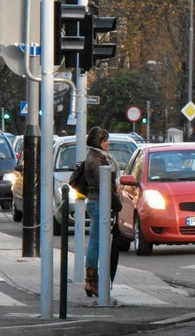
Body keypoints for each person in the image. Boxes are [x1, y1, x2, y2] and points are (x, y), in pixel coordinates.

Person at [80, 126, 119, 298]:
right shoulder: (96, 161)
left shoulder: (97, 157)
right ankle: (92, 281)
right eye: (105, 140)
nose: (108, 142)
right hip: (98, 203)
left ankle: (93, 281)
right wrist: (118, 204)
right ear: (98, 142)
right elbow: (106, 186)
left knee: (97, 241)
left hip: (97, 202)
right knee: (97, 242)